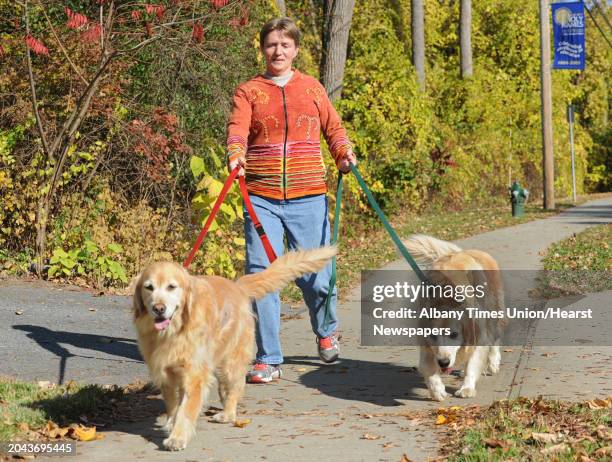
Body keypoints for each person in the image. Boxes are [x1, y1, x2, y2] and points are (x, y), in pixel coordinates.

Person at [227, 17, 356, 384]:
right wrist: (236, 155)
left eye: (285, 45)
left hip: (308, 195)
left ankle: (327, 329)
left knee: (317, 277)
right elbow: (237, 128)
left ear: (296, 49)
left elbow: (334, 128)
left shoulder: (312, 89)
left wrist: (343, 153)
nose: (278, 51)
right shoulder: (249, 90)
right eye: (271, 44)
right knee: (262, 276)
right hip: (261, 198)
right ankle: (268, 358)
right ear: (263, 49)